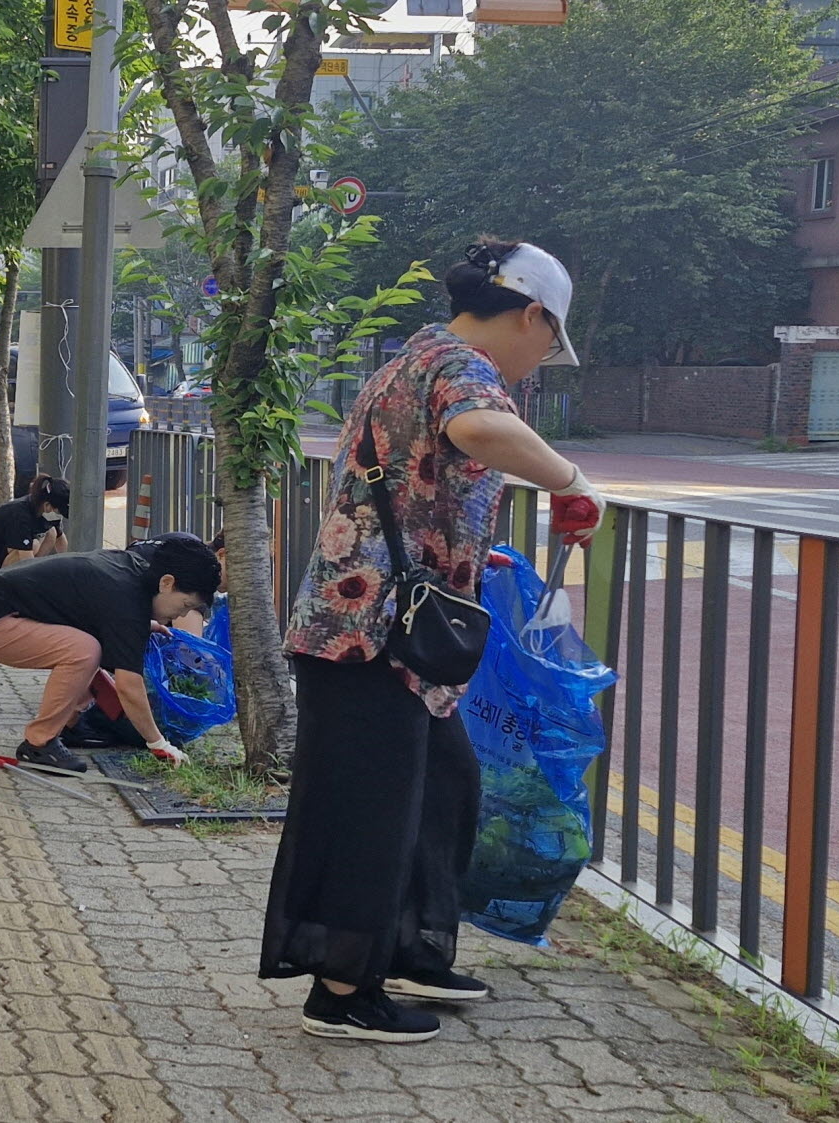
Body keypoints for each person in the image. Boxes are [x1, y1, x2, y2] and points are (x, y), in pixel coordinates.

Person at [260, 238, 606, 1044]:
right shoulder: (462, 365)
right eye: (550, 342)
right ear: (530, 314)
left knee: (443, 790)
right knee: (368, 811)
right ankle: (342, 991)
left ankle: (411, 949)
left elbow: (429, 475)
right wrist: (570, 477)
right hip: (371, 633)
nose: (543, 359)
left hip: (401, 637)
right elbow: (480, 427)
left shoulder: (418, 354)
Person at [0, 536, 221, 773]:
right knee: (84, 651)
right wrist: (157, 742)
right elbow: (129, 687)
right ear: (166, 583)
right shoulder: (127, 600)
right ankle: (39, 743)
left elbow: (106, 612)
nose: (183, 616)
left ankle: (69, 725)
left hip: (0, 606)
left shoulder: (136, 574)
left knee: (92, 645)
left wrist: (143, 627)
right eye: (185, 605)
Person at [0, 475, 69, 576]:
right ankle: (1, 581)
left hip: (10, 548)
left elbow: (60, 538)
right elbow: (26, 556)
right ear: (47, 505)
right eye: (59, 512)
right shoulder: (20, 515)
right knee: (33, 545)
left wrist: (68, 567)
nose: (59, 516)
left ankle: (26, 573)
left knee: (51, 533)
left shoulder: (46, 511)